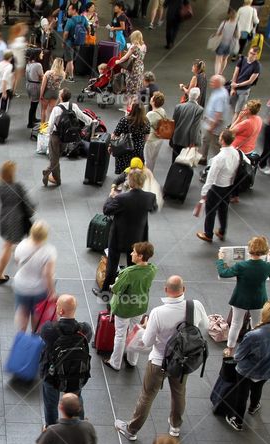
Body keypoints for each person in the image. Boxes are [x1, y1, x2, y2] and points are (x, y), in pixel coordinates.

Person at [115, 276, 209, 441]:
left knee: (147, 395)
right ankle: (175, 426)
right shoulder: (196, 306)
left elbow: (148, 342)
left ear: (166, 290)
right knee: (179, 393)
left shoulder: (158, 312)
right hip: (182, 361)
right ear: (184, 289)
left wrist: (144, 328)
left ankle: (131, 430)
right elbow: (205, 327)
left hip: (159, 362)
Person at [223, 299, 270, 429]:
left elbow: (238, 356)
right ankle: (253, 407)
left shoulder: (253, 335)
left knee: (242, 394)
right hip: (267, 370)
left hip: (246, 371)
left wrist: (228, 354)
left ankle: (237, 421)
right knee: (257, 389)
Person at [94, 169, 155, 297]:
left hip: (119, 236)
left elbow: (106, 210)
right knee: (132, 265)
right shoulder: (150, 197)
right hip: (138, 236)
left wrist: (111, 196)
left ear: (130, 182)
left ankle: (105, 290)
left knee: (112, 262)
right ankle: (129, 290)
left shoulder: (121, 198)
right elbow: (153, 208)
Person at [216, 235, 270, 353]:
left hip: (240, 299)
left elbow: (223, 273)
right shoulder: (267, 266)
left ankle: (230, 348)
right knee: (256, 325)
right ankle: (253, 348)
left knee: (235, 323)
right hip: (259, 300)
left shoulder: (241, 266)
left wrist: (220, 260)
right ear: (264, 251)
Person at [38, 294, 92, 423]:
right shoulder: (85, 329)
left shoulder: (49, 328)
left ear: (60, 311)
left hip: (52, 376)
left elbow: (45, 339)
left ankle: (52, 428)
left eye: (57, 306)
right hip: (76, 374)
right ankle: (79, 424)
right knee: (76, 399)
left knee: (51, 404)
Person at [107, 241, 158, 372]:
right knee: (135, 332)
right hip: (139, 306)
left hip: (124, 308)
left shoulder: (129, 273)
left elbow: (117, 290)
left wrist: (112, 286)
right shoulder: (152, 269)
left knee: (120, 335)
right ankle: (132, 360)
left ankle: (115, 362)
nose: (131, 253)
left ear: (140, 256)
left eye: (134, 252)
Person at [196, 129, 241, 243]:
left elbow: (211, 177)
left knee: (210, 210)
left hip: (217, 187)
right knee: (223, 209)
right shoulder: (236, 152)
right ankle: (222, 231)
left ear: (222, 140)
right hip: (228, 186)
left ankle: (208, 234)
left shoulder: (219, 158)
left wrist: (204, 192)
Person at [43, 88, 95, 187]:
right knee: (57, 156)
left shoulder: (57, 109)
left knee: (54, 158)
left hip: (56, 135)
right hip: (67, 137)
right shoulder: (73, 106)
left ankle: (49, 174)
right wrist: (91, 121)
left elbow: (50, 124)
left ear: (61, 97)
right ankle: (56, 178)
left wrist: (48, 134)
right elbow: (82, 116)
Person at [12, 220, 57, 332]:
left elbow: (17, 261)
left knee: (22, 311)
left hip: (21, 285)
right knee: (37, 314)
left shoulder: (21, 245)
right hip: (39, 289)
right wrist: (52, 291)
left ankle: (21, 335)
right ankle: (34, 336)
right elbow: (47, 274)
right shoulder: (49, 251)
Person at [199, 75, 230, 164]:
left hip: (214, 125)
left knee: (215, 145)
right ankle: (203, 157)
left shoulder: (220, 96)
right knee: (205, 139)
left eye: (213, 82)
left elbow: (218, 113)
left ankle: (217, 162)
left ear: (218, 83)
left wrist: (212, 127)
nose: (210, 83)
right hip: (209, 122)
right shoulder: (219, 91)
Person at [113, 103, 151, 175]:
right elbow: (146, 138)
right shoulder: (146, 121)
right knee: (135, 172)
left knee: (124, 171)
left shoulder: (124, 120)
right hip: (138, 149)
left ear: (132, 109)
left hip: (124, 148)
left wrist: (111, 146)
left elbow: (115, 135)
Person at [170, 87, 204, 161]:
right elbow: (195, 127)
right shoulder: (199, 109)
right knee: (184, 163)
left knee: (175, 161)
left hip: (177, 137)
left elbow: (173, 122)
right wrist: (193, 142)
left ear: (189, 95)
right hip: (187, 141)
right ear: (198, 97)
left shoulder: (178, 107)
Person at [117, 30, 147, 97]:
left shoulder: (133, 47)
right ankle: (135, 104)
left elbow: (125, 57)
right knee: (137, 85)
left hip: (132, 67)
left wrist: (118, 61)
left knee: (130, 86)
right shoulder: (144, 46)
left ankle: (129, 106)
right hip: (140, 67)